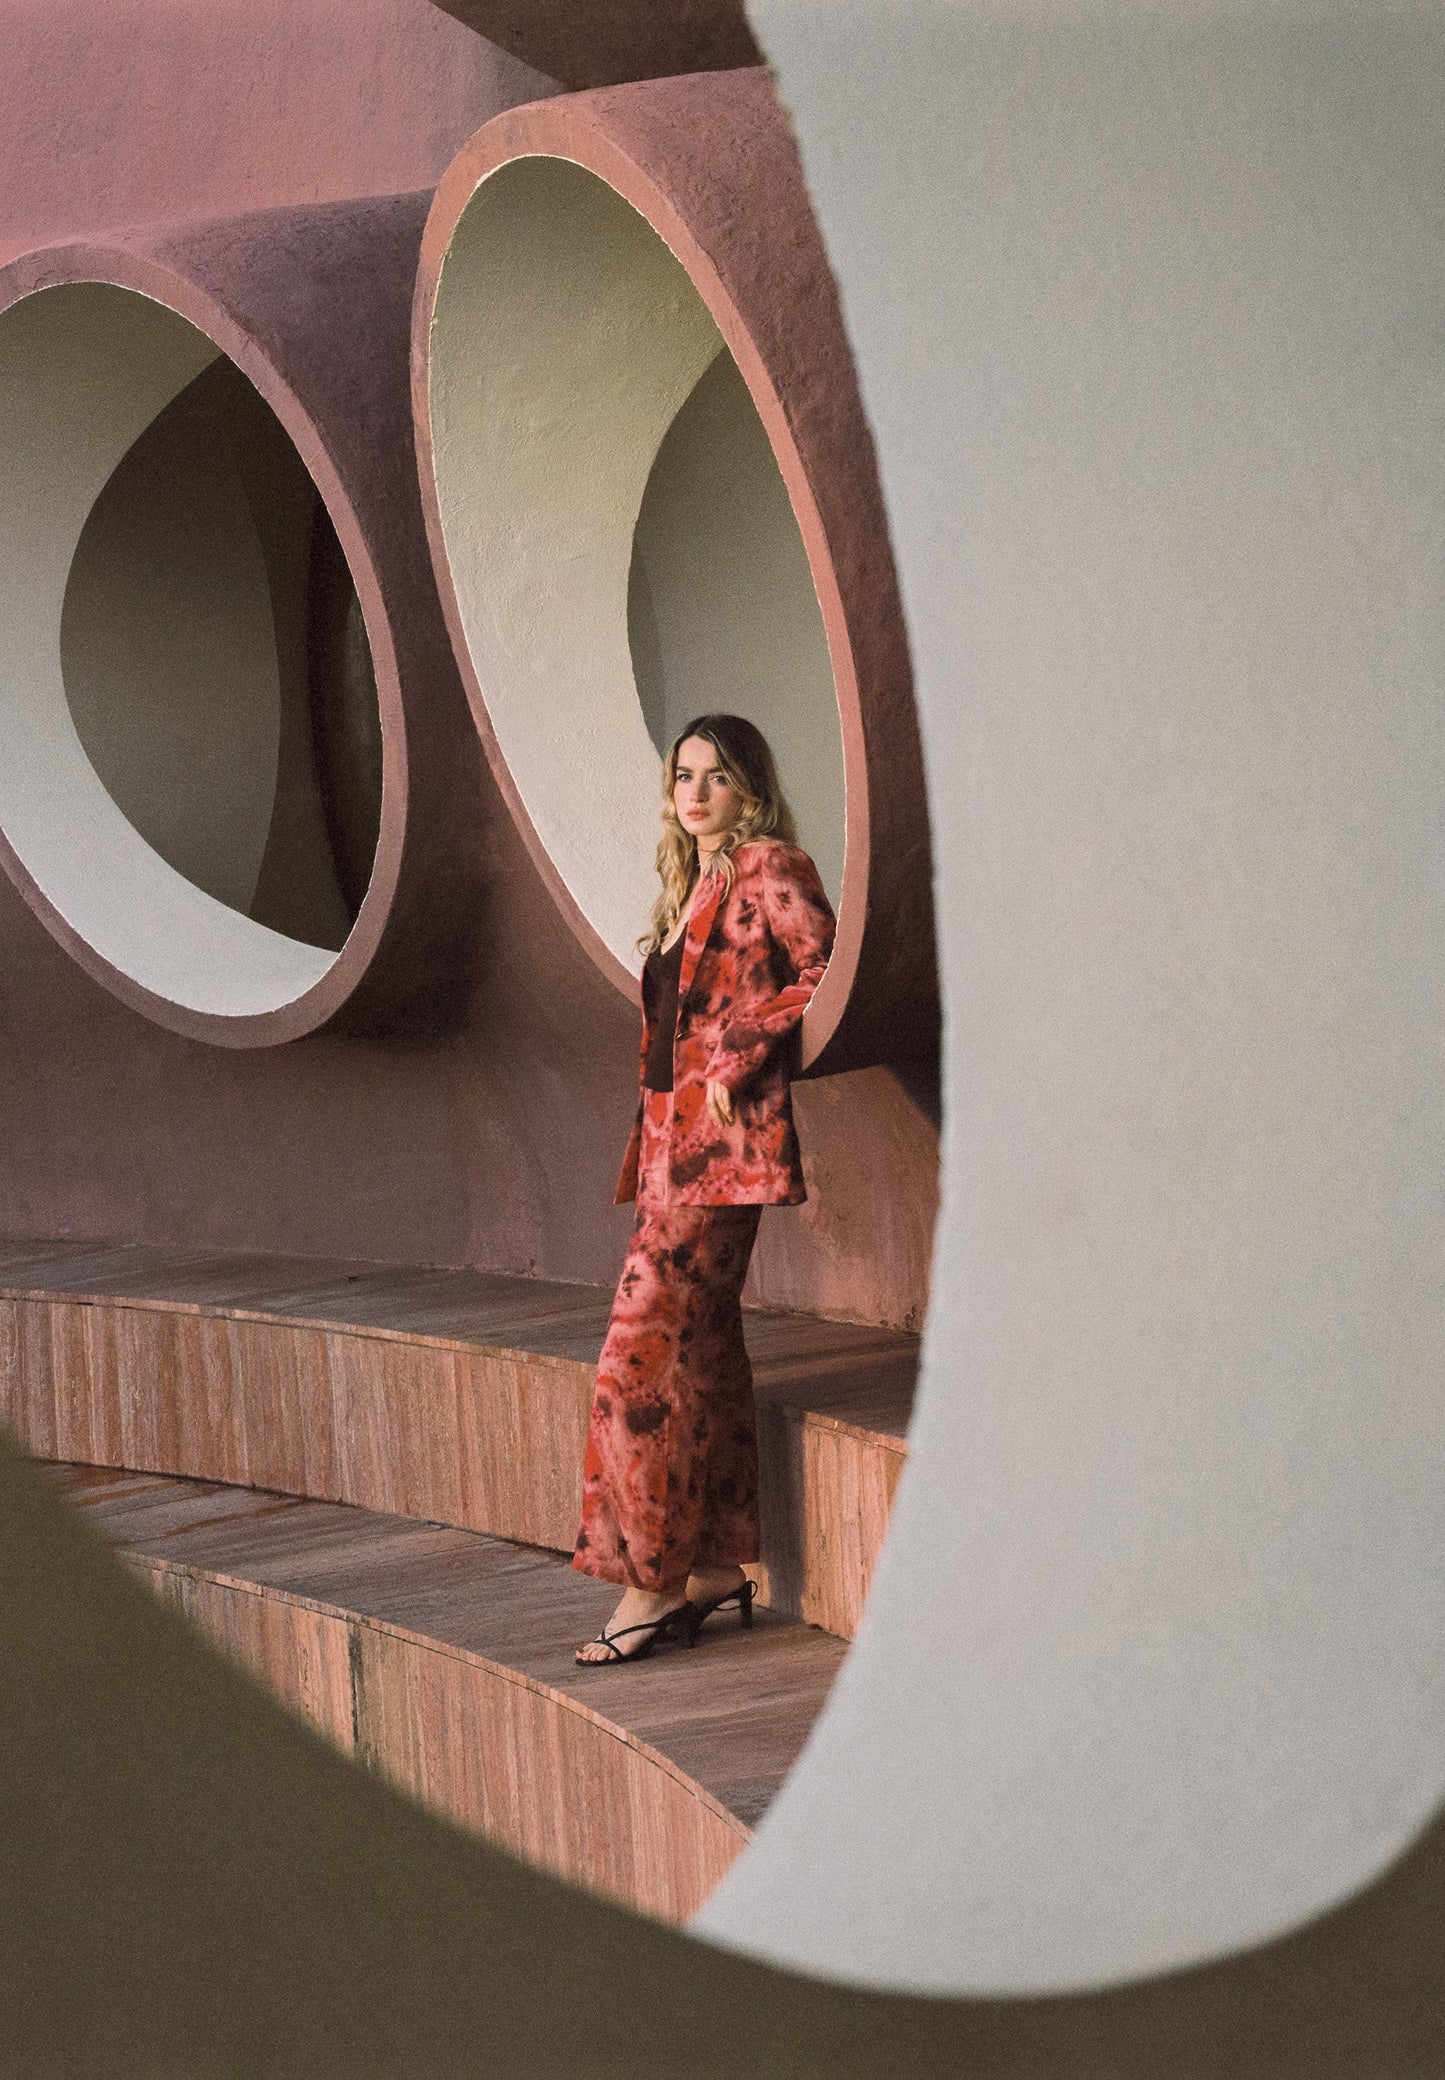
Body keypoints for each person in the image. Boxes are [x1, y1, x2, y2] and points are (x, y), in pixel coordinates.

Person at [573, 713, 836, 1664]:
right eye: (683, 775)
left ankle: (649, 1587)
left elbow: (822, 967)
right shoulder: (698, 879)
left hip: (719, 1157)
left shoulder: (771, 867)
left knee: (636, 1361)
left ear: (748, 787)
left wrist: (741, 1049)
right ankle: (716, 1566)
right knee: (704, 1351)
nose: (694, 793)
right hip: (667, 1153)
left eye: (715, 776)